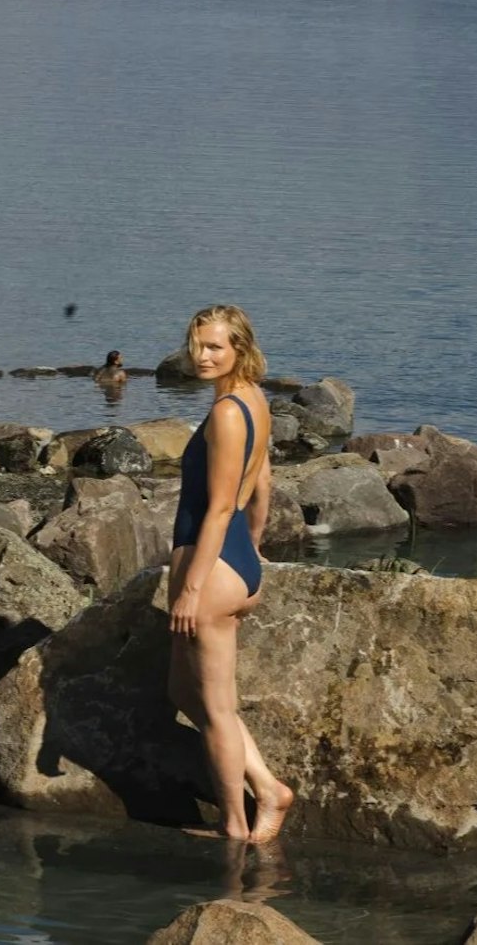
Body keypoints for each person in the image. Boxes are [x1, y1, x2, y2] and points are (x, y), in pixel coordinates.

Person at [168, 304, 294, 844]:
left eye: (215, 346)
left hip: (213, 572)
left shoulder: (225, 413)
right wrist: (254, 550)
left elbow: (220, 508)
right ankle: (267, 785)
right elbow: (262, 485)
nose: (202, 356)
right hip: (235, 563)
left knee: (217, 711)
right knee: (182, 690)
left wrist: (192, 589)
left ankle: (238, 825)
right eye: (197, 345)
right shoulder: (250, 401)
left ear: (240, 348)